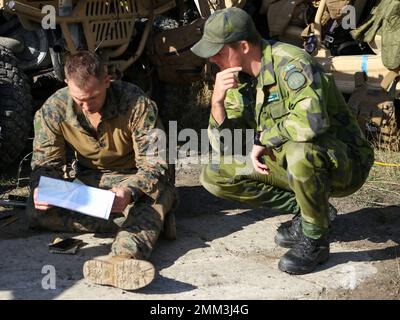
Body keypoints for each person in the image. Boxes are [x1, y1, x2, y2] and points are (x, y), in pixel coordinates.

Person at [191, 7, 374, 275]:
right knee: (216, 174)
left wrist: (264, 136)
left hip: (343, 161)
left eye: (218, 51)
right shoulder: (238, 80)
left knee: (301, 151)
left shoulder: (291, 63)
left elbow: (312, 122)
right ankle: (313, 210)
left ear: (243, 46)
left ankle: (315, 240)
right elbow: (228, 148)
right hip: (294, 160)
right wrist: (217, 104)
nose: (212, 58)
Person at [26, 51, 177, 290]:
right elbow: (46, 164)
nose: (86, 106)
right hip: (92, 182)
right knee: (36, 212)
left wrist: (129, 191)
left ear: (107, 81)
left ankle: (121, 259)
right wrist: (43, 189)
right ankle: (152, 220)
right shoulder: (53, 108)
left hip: (137, 180)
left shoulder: (136, 103)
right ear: (67, 84)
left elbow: (155, 163)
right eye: (79, 99)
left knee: (152, 198)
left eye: (93, 97)